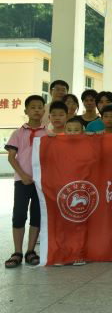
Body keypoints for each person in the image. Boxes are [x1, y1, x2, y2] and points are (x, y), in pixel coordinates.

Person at [4, 95, 47, 268]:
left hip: (40, 182)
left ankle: (30, 251)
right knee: (19, 214)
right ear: (26, 111)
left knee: (37, 215)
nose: (37, 110)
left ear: (44, 111)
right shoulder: (18, 133)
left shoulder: (48, 134)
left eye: (40, 107)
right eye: (33, 107)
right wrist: (23, 175)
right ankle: (17, 252)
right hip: (22, 181)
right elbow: (11, 157)